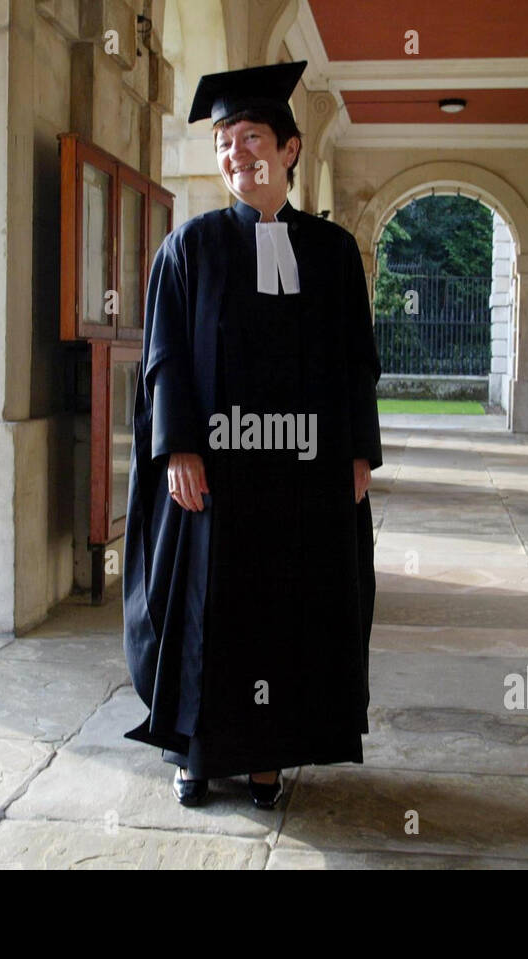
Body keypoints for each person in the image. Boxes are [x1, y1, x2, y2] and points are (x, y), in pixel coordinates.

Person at [121, 59, 382, 809]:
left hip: (302, 474)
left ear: (290, 149)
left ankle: (267, 756)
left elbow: (356, 361)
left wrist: (359, 450)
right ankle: (195, 754)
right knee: (209, 612)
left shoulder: (333, 256)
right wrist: (177, 446)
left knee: (284, 611)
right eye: (225, 142)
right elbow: (165, 355)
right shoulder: (189, 249)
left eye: (252, 137)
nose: (237, 153)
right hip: (216, 477)